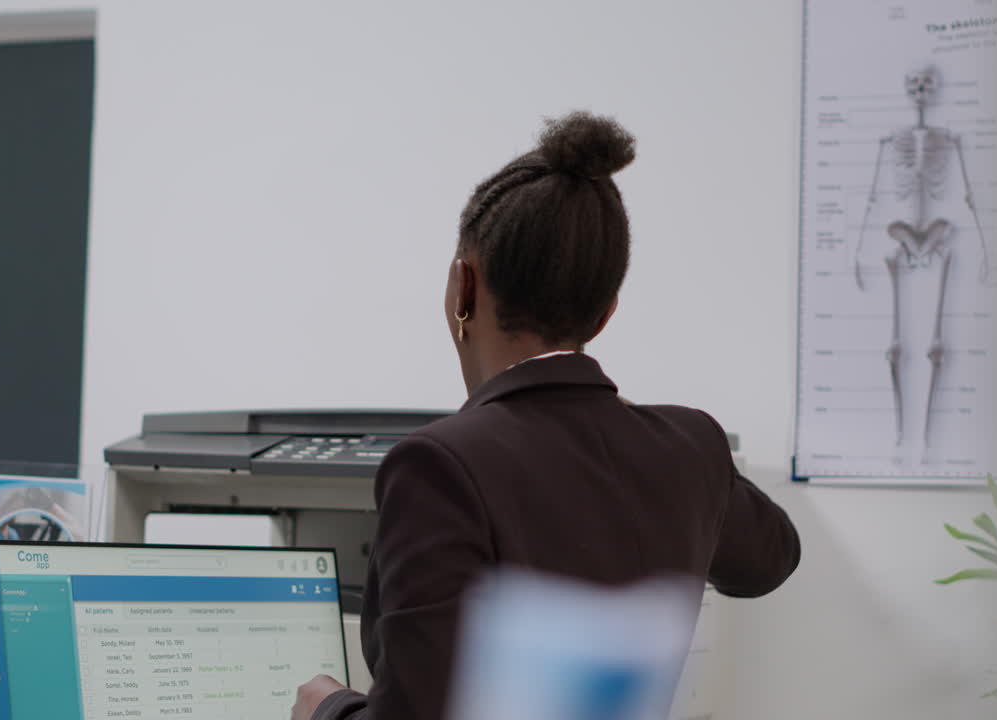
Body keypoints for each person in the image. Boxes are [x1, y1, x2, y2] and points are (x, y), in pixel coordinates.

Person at [291, 111, 800, 720]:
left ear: (463, 289)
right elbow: (772, 561)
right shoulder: (691, 446)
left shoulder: (437, 465)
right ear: (606, 313)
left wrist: (327, 709)